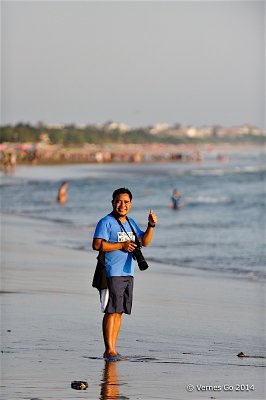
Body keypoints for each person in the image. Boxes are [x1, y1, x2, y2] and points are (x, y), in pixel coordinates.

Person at [92, 187, 157, 361]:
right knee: (110, 310)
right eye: (119, 201)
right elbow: (97, 245)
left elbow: (144, 241)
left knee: (119, 311)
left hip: (128, 272)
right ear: (112, 202)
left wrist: (151, 226)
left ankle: (114, 348)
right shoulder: (105, 222)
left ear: (131, 204)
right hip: (110, 272)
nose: (122, 205)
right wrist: (121, 245)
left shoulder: (131, 223)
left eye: (126, 202)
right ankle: (109, 350)